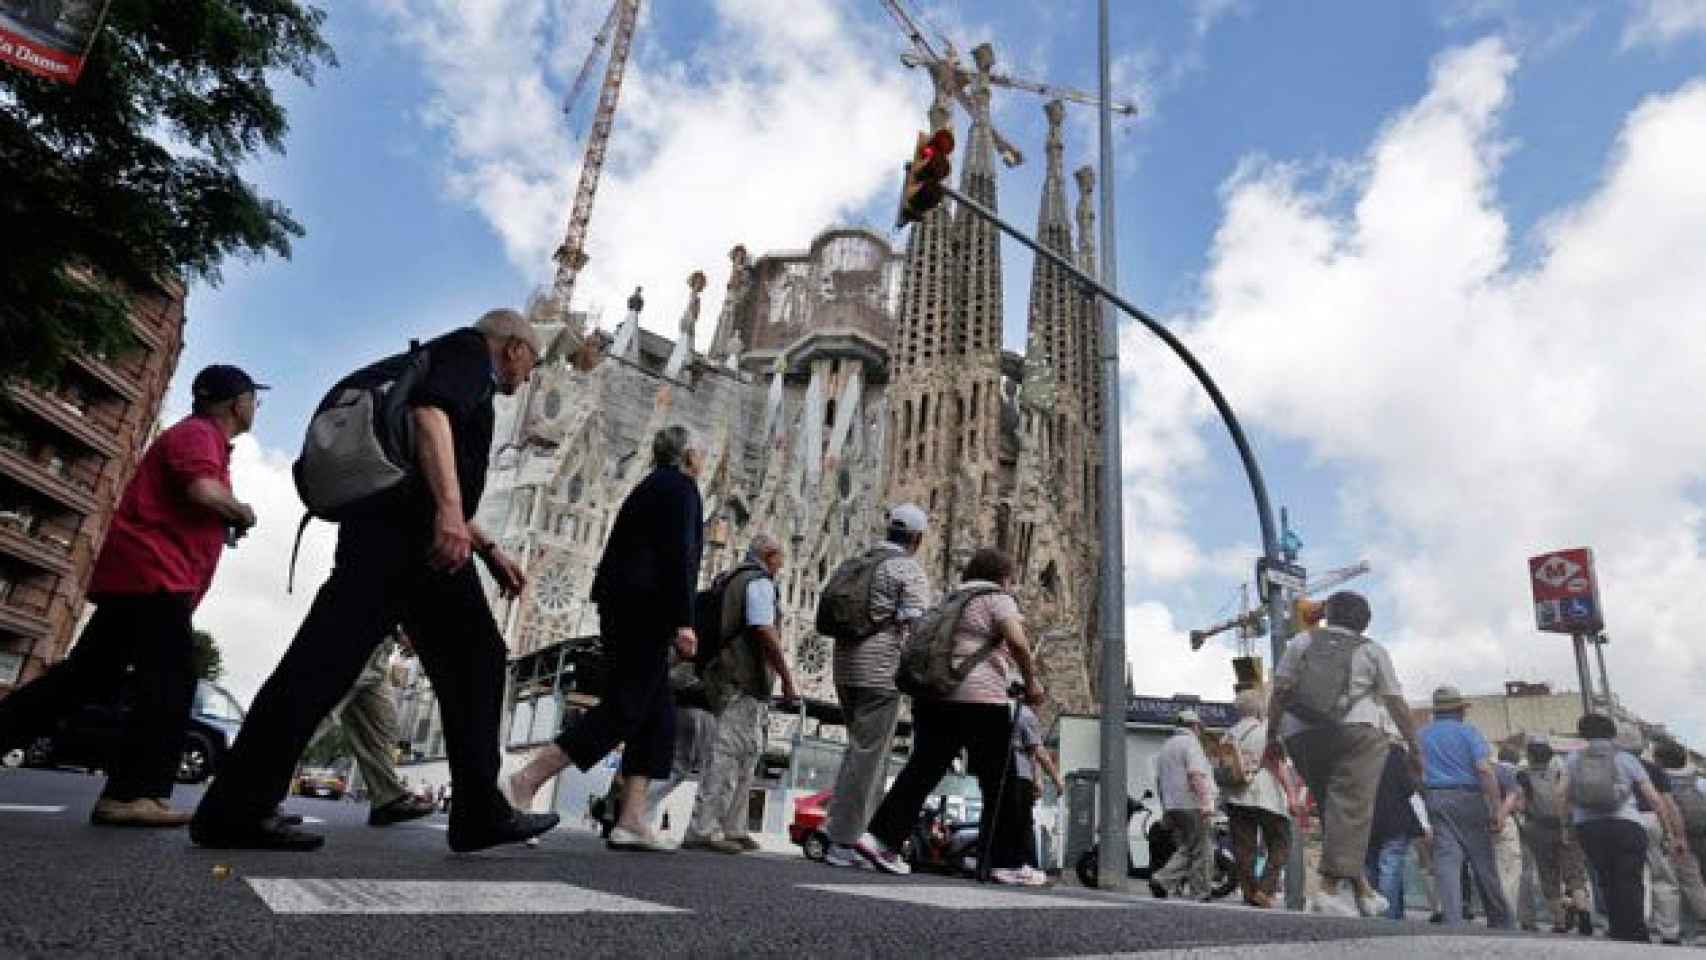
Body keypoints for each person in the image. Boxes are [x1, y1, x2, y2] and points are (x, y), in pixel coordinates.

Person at [192, 310, 557, 852]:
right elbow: (428, 413)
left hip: (390, 536)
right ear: (514, 349)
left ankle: (235, 805)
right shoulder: (466, 352)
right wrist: (452, 516)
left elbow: (420, 461)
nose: (527, 378)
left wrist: (487, 546)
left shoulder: (446, 359)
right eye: (532, 364)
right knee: (471, 661)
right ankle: (479, 812)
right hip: (413, 545)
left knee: (325, 666)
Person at [0, 365, 262, 826]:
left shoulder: (207, 441)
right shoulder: (199, 434)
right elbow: (202, 491)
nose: (255, 407)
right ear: (236, 403)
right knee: (171, 678)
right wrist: (241, 511)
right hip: (154, 575)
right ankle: (133, 792)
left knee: (83, 678)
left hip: (145, 577)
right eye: (253, 399)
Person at [506, 425, 705, 853]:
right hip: (645, 611)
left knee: (658, 718)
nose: (702, 461)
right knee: (624, 708)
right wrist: (684, 621)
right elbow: (680, 557)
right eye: (700, 453)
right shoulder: (681, 488)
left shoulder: (650, 485)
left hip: (624, 606)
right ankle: (526, 779)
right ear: (688, 455)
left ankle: (631, 819)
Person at [856, 548, 1046, 886]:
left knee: (922, 770)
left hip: (935, 696)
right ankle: (1007, 862)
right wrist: (1031, 682)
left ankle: (879, 839)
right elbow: (1017, 642)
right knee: (998, 782)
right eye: (1011, 579)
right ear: (1004, 577)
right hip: (981, 700)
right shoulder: (996, 599)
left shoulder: (950, 599)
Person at [1266, 591, 1419, 917]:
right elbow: (1395, 702)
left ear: (1328, 615)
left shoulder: (1302, 642)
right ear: (1364, 622)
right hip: (1356, 733)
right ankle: (1328, 890)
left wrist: (1272, 735)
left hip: (1300, 734)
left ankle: (1363, 891)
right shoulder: (1372, 650)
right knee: (1352, 809)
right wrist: (1415, 746)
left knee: (1333, 808)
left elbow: (1279, 691)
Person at [821, 504, 932, 868]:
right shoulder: (906, 570)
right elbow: (919, 629)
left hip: (845, 668)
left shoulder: (859, 561)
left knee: (861, 752)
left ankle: (854, 836)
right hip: (880, 673)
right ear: (916, 539)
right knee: (867, 757)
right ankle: (842, 841)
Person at [682, 533, 799, 854]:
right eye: (780, 559)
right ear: (770, 555)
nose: (782, 566)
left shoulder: (734, 579)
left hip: (745, 681)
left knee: (748, 754)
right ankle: (704, 828)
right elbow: (763, 629)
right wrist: (787, 678)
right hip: (740, 678)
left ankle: (732, 825)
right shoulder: (757, 582)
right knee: (728, 753)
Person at [310, 631, 436, 827]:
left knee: (381, 724)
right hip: (359, 637)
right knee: (317, 715)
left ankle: (387, 800)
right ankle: (256, 791)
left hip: (379, 653)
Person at [1562, 713, 1667, 942]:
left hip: (1588, 827)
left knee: (1606, 878)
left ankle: (1618, 930)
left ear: (1583, 734)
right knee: (1630, 878)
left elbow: (1562, 794)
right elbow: (1653, 797)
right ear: (1612, 733)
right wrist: (1667, 827)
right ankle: (1636, 931)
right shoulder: (1626, 759)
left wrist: (1566, 825)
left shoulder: (1572, 759)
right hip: (1626, 824)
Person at [1416, 685, 1512, 928]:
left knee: (1447, 860)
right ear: (1460, 710)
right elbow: (1483, 769)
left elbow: (1414, 769)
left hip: (1435, 797)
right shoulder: (1469, 733)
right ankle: (1500, 919)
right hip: (1468, 798)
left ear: (1436, 712)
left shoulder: (1421, 735)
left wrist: (1427, 793)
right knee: (1482, 860)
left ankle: (1452, 919)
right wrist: (1497, 808)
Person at [1223, 689, 1292, 908]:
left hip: (1236, 795)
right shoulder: (1266, 732)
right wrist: (1291, 794)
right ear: (1260, 709)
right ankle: (1265, 889)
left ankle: (1250, 893)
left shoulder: (1228, 735)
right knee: (1281, 842)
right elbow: (1278, 765)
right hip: (1266, 795)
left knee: (1244, 848)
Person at [1621, 723, 1688, 944]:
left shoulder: (1614, 767)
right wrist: (1675, 835)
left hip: (1622, 820)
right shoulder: (1653, 769)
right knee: (1663, 877)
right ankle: (1669, 931)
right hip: (1651, 819)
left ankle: (1637, 926)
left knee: (1632, 877)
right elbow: (1668, 805)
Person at [639, 660, 718, 830]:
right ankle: (638, 811)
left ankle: (637, 809)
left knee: (677, 766)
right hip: (703, 706)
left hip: (681, 703)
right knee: (703, 769)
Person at [1152, 710, 1219, 900]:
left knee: (1188, 847)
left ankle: (1162, 880)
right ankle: (1201, 892)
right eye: (1199, 727)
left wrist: (1165, 808)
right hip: (1191, 804)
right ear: (1195, 726)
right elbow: (1196, 774)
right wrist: (1206, 803)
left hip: (1173, 805)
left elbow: (1159, 781)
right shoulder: (1191, 744)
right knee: (1201, 848)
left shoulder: (1166, 746)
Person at [1365, 728, 1428, 920]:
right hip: (1395, 818)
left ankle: (1379, 912)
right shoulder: (1395, 753)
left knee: (1371, 867)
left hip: (1366, 819)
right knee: (1391, 868)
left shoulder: (1355, 753)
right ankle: (1389, 916)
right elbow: (1408, 787)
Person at [1653, 737, 1706, 942]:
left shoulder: (1660, 781)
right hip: (1702, 832)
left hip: (1680, 836)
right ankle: (1693, 926)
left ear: (1659, 761)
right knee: (1696, 880)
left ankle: (1691, 925)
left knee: (1687, 881)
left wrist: (1672, 836)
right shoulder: (1698, 779)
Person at [1515, 740, 1571, 932]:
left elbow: (1520, 805)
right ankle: (1578, 909)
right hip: (1562, 827)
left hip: (1537, 827)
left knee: (1546, 873)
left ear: (1530, 757)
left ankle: (1559, 920)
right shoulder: (1559, 775)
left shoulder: (1523, 777)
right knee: (1568, 871)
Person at [1012, 701, 1064, 872]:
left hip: (1005, 774)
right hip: (1018, 776)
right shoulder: (1025, 714)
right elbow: (1038, 752)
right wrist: (1057, 779)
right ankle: (1026, 866)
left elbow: (1032, 754)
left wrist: (1038, 779)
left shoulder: (1008, 711)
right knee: (1023, 823)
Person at [1491, 744, 1526, 923]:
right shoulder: (1515, 774)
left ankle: (1494, 913)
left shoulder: (1491, 770)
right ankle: (1508, 914)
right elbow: (1518, 803)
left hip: (1485, 823)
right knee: (1511, 871)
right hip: (1506, 822)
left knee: (1494, 869)